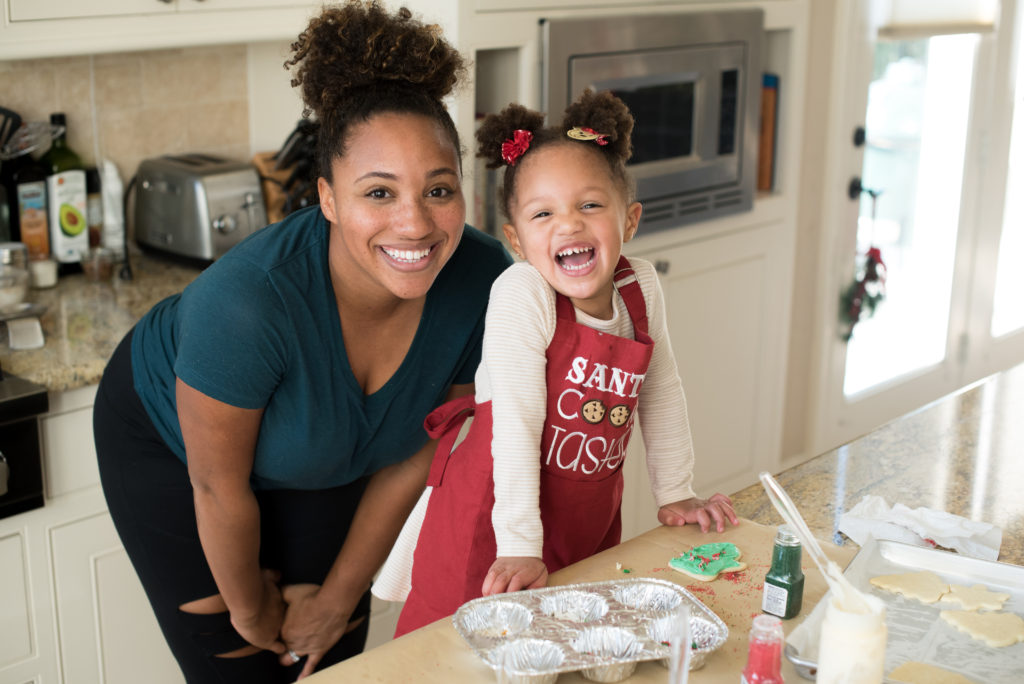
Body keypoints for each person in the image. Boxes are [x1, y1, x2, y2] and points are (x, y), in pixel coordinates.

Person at [92, 2, 512, 681]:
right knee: (247, 665)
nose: (414, 224)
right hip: (177, 452)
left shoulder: (485, 283)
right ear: (327, 196)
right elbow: (217, 486)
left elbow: (415, 455)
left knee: (330, 656)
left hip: (332, 449)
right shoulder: (247, 305)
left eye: (438, 189)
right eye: (379, 192)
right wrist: (255, 613)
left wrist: (343, 594)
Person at [375, 89, 740, 635]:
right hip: (495, 512)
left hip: (585, 507)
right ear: (518, 241)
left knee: (562, 637)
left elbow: (661, 390)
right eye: (543, 213)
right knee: (460, 647)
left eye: (589, 205)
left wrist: (676, 493)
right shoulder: (524, 293)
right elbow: (518, 423)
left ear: (630, 220)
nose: (568, 224)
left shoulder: (639, 286)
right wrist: (520, 545)